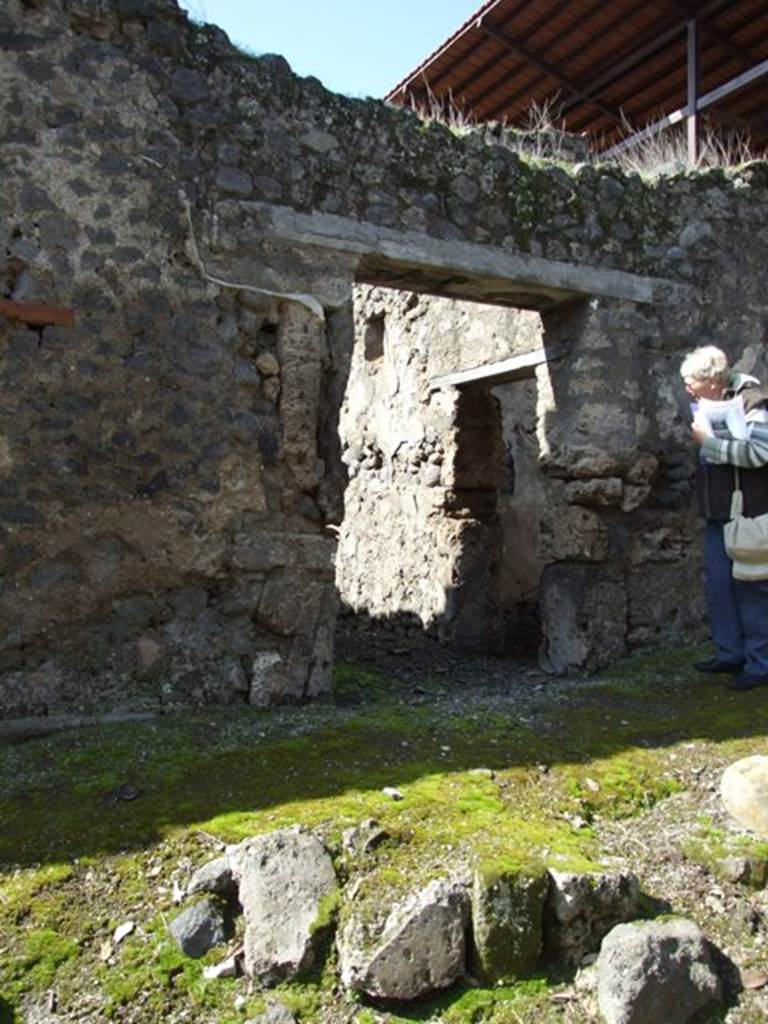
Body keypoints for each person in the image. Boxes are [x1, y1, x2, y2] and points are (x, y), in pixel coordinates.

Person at [681, 345, 768, 690]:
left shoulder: (752, 400)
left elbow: (760, 452)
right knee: (720, 584)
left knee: (753, 587)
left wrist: (709, 444)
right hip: (719, 510)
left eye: (691, 381)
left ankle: (761, 664)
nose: (687, 387)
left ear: (713, 381)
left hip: (749, 511)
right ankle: (730, 653)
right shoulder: (707, 402)